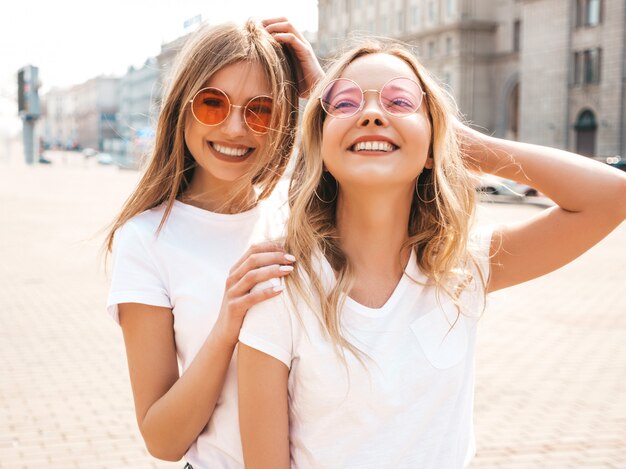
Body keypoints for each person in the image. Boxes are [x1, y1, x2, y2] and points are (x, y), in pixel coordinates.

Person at [237, 40, 626, 468]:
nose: (371, 113)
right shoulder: (280, 284)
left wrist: (465, 146)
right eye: (345, 103)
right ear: (320, 146)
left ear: (434, 144)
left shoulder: (462, 268)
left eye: (400, 100)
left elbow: (610, 197)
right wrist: (411, 125)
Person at [105, 19, 322, 468]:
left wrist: (327, 98)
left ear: (283, 121)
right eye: (212, 104)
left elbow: (427, 153)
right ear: (182, 108)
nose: (235, 128)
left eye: (260, 109)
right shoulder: (146, 240)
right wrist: (227, 326)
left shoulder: (307, 217)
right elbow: (162, 440)